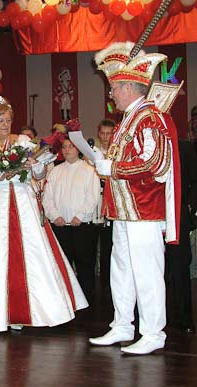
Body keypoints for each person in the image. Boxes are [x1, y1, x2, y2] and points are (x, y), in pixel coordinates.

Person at [0, 96, 88, 332]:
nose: (5, 125)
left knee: (34, 254)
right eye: (0, 120)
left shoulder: (23, 141)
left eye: (8, 120)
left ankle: (43, 308)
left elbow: (38, 175)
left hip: (24, 203)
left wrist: (37, 165)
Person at [90, 42, 181, 355]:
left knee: (146, 271)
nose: (111, 94)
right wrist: (108, 164)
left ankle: (153, 332)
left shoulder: (149, 117)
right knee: (122, 269)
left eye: (114, 88)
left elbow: (157, 163)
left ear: (128, 87)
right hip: (123, 211)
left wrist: (113, 168)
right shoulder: (129, 119)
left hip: (143, 210)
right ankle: (123, 325)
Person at [43, 138, 100, 300]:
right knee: (63, 264)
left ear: (78, 149)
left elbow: (92, 197)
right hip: (61, 226)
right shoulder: (56, 171)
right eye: (64, 147)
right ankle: (66, 298)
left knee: (85, 265)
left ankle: (87, 299)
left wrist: (80, 216)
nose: (67, 150)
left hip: (82, 226)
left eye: (71, 147)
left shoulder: (89, 170)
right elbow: (47, 198)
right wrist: (55, 216)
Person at [166, 139, 197, 333]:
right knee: (154, 269)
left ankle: (184, 317)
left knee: (179, 267)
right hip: (150, 216)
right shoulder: (143, 145)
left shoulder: (183, 147)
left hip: (177, 214)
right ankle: (155, 317)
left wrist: (188, 205)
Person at [93, 119, 116, 291]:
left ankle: (112, 286)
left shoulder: (119, 153)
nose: (106, 137)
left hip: (114, 206)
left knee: (111, 247)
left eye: (109, 133)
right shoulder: (93, 154)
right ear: (99, 134)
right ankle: (99, 286)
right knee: (94, 248)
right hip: (95, 204)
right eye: (103, 133)